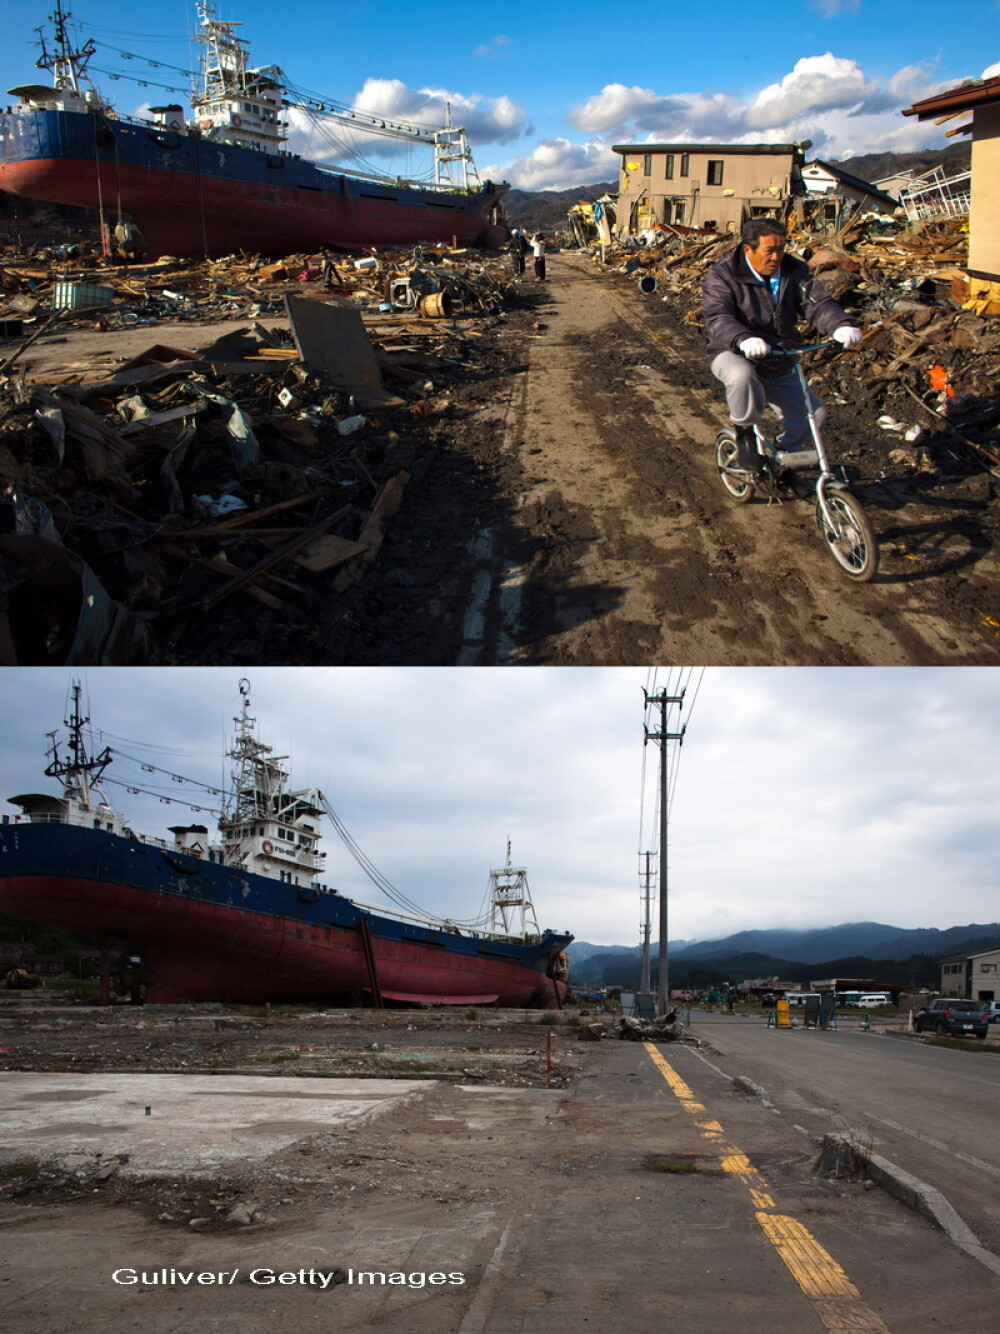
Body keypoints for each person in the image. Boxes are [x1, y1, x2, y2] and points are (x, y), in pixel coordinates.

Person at [702, 218, 862, 472]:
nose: (776, 256)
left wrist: (840, 324)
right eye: (769, 250)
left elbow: (817, 304)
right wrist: (742, 338)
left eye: (781, 248)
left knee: (815, 415)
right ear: (748, 249)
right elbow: (717, 316)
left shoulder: (793, 271)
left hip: (778, 355)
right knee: (741, 374)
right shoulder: (724, 274)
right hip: (732, 350)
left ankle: (784, 453)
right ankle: (745, 435)